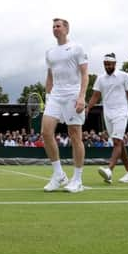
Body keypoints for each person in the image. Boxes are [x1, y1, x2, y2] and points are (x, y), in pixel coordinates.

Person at [41, 18, 89, 193]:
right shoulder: (50, 52)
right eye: (53, 26)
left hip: (73, 94)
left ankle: (77, 179)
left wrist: (82, 97)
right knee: (46, 133)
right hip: (55, 96)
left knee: (75, 135)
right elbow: (49, 77)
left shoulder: (77, 48)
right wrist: (47, 96)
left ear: (66, 29)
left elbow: (85, 74)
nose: (55, 29)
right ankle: (59, 174)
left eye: (58, 26)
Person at [85, 53, 128, 184]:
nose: (107, 66)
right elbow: (95, 96)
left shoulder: (124, 76)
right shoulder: (100, 79)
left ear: (115, 64)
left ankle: (109, 170)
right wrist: (88, 108)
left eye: (109, 64)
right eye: (105, 64)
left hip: (121, 113)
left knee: (116, 142)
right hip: (107, 114)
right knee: (119, 143)